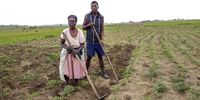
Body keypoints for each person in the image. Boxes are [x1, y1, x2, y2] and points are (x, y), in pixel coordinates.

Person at [82, 1, 109, 79]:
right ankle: (85, 74)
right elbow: (83, 27)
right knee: (89, 57)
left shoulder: (101, 17)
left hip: (98, 42)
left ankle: (103, 73)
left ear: (98, 7)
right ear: (90, 7)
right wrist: (88, 25)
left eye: (95, 6)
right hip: (90, 42)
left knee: (101, 57)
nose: (94, 7)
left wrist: (102, 39)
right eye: (92, 6)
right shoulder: (87, 16)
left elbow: (102, 29)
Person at [59, 15, 86, 86]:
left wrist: (77, 50)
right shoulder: (65, 32)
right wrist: (67, 47)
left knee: (76, 68)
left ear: (76, 22)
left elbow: (83, 43)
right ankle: (67, 83)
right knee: (66, 69)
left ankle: (76, 83)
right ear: (68, 22)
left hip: (77, 52)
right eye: (70, 21)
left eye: (73, 21)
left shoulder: (80, 32)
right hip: (68, 53)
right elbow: (61, 43)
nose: (71, 22)